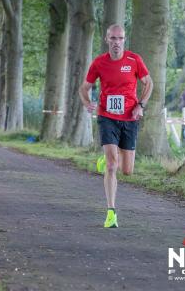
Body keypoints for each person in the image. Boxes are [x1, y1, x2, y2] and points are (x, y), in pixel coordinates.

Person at [79, 24, 153, 228]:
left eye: (120, 38)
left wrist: (140, 105)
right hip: (107, 117)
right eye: (112, 38)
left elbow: (149, 83)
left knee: (127, 170)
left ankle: (108, 159)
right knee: (112, 166)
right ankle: (111, 212)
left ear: (124, 40)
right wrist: (87, 103)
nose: (116, 42)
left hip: (130, 118)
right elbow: (84, 87)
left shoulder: (134, 60)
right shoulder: (99, 63)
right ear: (106, 40)